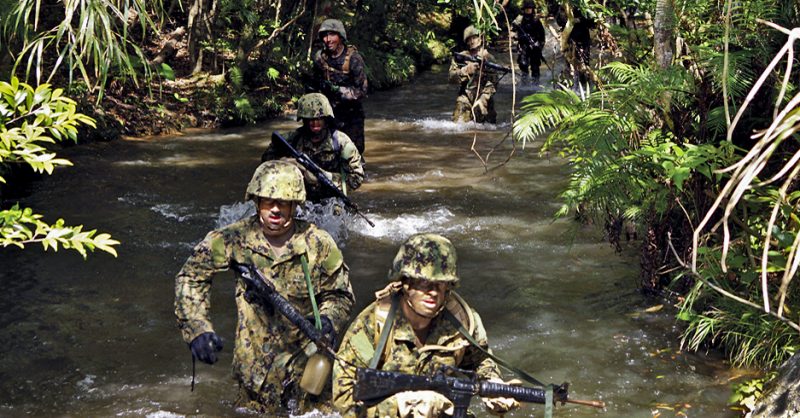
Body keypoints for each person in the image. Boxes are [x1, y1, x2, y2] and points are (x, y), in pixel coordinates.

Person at [174, 160, 355, 415]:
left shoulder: (318, 243)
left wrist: (328, 320)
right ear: (256, 200)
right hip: (254, 380)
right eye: (268, 201)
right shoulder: (233, 239)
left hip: (306, 375)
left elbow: (340, 293)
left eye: (283, 202)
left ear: (295, 204)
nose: (275, 209)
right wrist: (197, 329)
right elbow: (192, 276)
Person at [332, 233, 520, 417]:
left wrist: (493, 387)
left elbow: (480, 362)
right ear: (405, 282)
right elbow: (343, 400)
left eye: (441, 284)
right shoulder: (372, 325)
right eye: (424, 282)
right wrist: (403, 406)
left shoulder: (461, 321)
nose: (433, 292)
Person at [261, 92, 364, 203]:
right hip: (299, 200)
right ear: (304, 119)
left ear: (326, 118)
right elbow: (265, 162)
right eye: (310, 119)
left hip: (331, 201)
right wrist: (283, 163)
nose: (315, 123)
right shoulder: (292, 139)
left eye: (319, 118)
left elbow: (356, 178)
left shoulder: (341, 142)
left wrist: (323, 177)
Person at [311, 18, 369, 156]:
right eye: (325, 35)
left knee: (353, 154)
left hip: (351, 115)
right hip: (329, 115)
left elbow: (362, 90)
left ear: (341, 37)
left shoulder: (354, 59)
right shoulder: (320, 58)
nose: (328, 39)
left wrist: (339, 91)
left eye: (332, 35)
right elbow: (314, 86)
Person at [449, 25, 499, 124]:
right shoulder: (461, 57)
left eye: (474, 38)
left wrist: (484, 97)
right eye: (469, 39)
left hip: (484, 98)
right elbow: (451, 78)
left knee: (488, 129)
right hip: (465, 97)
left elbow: (495, 82)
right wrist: (465, 71)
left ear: (480, 39)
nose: (472, 41)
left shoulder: (489, 58)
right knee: (458, 126)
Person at [511, 1, 546, 83]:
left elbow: (542, 35)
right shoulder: (519, 19)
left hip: (535, 46)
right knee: (523, 64)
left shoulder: (536, 20)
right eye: (526, 9)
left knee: (535, 67)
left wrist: (539, 45)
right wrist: (516, 37)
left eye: (530, 9)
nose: (528, 10)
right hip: (523, 45)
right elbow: (512, 31)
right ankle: (524, 81)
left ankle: (535, 83)